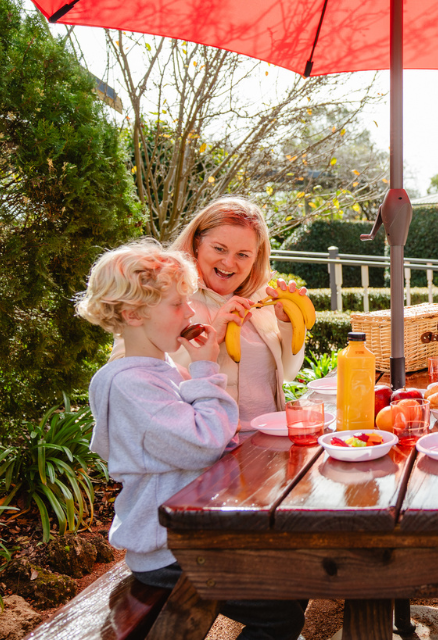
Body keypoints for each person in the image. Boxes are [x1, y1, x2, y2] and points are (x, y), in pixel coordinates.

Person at [76, 240, 306, 640]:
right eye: (176, 305)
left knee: (297, 571)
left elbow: (199, 438)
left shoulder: (155, 370)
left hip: (185, 534)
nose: (189, 312)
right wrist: (203, 368)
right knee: (282, 606)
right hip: (169, 549)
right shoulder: (133, 384)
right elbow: (205, 440)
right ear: (132, 314)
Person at [112, 196, 307, 430]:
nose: (228, 262)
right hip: (201, 448)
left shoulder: (261, 301)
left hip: (266, 439)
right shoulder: (162, 295)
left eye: (243, 254)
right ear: (197, 243)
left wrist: (288, 325)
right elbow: (126, 374)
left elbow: (288, 373)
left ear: (256, 257)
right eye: (219, 248)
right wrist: (211, 335)